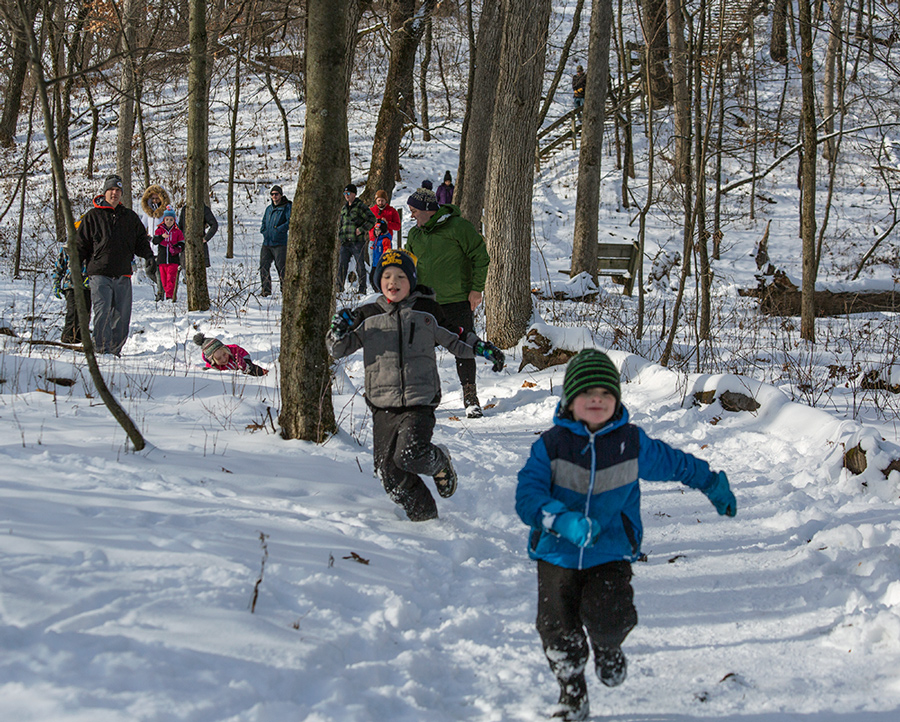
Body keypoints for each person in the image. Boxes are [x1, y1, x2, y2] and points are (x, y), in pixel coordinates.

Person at [515, 350, 737, 721]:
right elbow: (527, 496)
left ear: (617, 399)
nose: (597, 399)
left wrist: (711, 482)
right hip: (556, 553)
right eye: (587, 393)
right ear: (570, 401)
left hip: (611, 551)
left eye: (606, 392)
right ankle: (572, 693)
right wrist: (560, 520)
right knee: (557, 632)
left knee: (611, 617)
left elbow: (674, 463)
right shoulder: (551, 446)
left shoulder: (630, 444)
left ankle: (608, 647)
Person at [327, 249, 505, 522]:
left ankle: (439, 461)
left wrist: (482, 348)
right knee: (387, 471)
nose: (393, 281)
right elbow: (337, 349)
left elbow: (455, 337)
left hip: (420, 400)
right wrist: (338, 329)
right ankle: (425, 520)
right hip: (382, 404)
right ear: (378, 281)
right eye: (386, 276)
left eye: (400, 276)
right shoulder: (368, 315)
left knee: (410, 455)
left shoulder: (426, 312)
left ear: (411, 281)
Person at [404, 186, 491, 418]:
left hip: (457, 302)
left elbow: (480, 256)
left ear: (427, 209)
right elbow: (408, 266)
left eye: (414, 210)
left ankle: (471, 398)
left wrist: (476, 289)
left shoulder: (458, 227)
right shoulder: (414, 235)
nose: (411, 215)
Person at [76, 174, 154, 355]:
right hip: (99, 273)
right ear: (104, 192)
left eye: (118, 190)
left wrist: (149, 256)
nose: (115, 193)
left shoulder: (129, 217)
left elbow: (141, 241)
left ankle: (115, 350)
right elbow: (81, 244)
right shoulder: (92, 216)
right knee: (102, 312)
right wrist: (76, 266)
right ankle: (101, 349)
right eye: (111, 190)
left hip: (123, 273)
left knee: (122, 316)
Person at [336, 183, 376, 295]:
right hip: (345, 242)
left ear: (354, 194)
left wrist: (361, 229)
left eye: (348, 193)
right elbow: (342, 223)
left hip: (357, 242)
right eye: (345, 193)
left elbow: (372, 219)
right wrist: (340, 234)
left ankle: (362, 289)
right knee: (342, 265)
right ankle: (339, 288)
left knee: (360, 265)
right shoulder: (344, 208)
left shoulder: (360, 206)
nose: (346, 195)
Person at [52, 234, 91, 345]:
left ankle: (81, 339)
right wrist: (56, 283)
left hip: (87, 286)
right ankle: (68, 340)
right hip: (71, 285)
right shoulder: (67, 248)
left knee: (85, 313)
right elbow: (59, 267)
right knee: (73, 313)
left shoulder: (92, 247)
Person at [140, 184, 174, 301]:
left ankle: (160, 294)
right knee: (149, 271)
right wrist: (145, 237)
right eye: (152, 198)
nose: (155, 200)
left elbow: (175, 226)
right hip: (150, 247)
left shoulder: (168, 211)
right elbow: (141, 226)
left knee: (160, 272)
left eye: (157, 198)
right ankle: (164, 286)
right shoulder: (148, 213)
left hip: (163, 246)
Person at [260, 184, 292, 297]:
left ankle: (285, 290)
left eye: (276, 194)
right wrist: (263, 230)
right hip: (267, 243)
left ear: (281, 195)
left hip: (280, 243)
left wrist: (279, 230)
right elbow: (264, 221)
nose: (274, 196)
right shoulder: (269, 208)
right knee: (263, 266)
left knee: (281, 268)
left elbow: (289, 221)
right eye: (272, 194)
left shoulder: (286, 207)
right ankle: (266, 290)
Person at [193, 333, 268, 376]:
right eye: (219, 358)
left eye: (225, 354)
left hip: (246, 370)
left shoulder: (234, 351)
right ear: (212, 361)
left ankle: (266, 375)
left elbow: (247, 358)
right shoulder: (212, 367)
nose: (224, 359)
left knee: (252, 370)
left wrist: (245, 364)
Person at [152, 206, 185, 300]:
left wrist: (177, 248)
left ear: (174, 220)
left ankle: (170, 296)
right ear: (164, 220)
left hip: (173, 259)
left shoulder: (177, 231)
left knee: (171, 278)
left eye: (171, 219)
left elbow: (182, 244)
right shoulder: (159, 230)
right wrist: (162, 237)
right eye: (167, 219)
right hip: (162, 259)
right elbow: (155, 241)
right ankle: (167, 293)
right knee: (164, 280)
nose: (169, 221)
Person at [178, 203, 219, 268]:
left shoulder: (203, 209)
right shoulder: (185, 209)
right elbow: (180, 227)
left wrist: (206, 238)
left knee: (198, 273)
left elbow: (214, 225)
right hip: (186, 247)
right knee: (185, 272)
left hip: (199, 247)